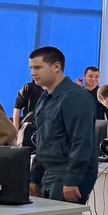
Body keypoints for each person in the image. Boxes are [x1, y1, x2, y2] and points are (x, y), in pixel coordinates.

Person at [26, 46, 98, 203]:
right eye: (31, 68)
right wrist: (34, 178)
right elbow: (43, 142)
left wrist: (72, 180)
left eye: (38, 67)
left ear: (56, 67)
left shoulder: (74, 97)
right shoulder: (46, 98)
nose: (32, 73)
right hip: (47, 172)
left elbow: (82, 141)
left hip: (65, 173)